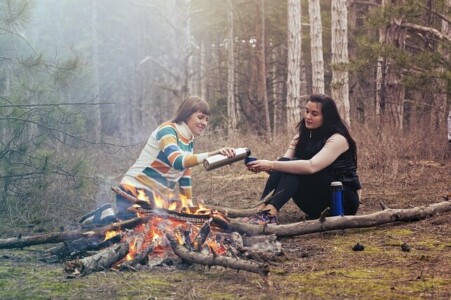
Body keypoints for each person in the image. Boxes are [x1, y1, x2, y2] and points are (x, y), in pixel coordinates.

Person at [81, 96, 235, 225]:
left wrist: (188, 207)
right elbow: (177, 161)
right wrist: (211, 154)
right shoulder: (167, 130)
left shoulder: (189, 141)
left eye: (207, 119)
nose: (204, 123)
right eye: (200, 117)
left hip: (154, 200)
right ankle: (104, 215)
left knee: (161, 228)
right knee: (129, 228)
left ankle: (110, 216)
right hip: (133, 192)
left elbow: (185, 176)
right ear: (187, 115)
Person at [244, 94, 362, 224]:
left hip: (342, 201)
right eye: (306, 111)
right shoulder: (300, 137)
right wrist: (262, 167)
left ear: (327, 117)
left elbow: (311, 166)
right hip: (314, 201)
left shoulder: (338, 139)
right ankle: (261, 210)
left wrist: (271, 164)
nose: (308, 116)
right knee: (286, 163)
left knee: (294, 166)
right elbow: (282, 166)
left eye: (314, 114)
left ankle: (270, 214)